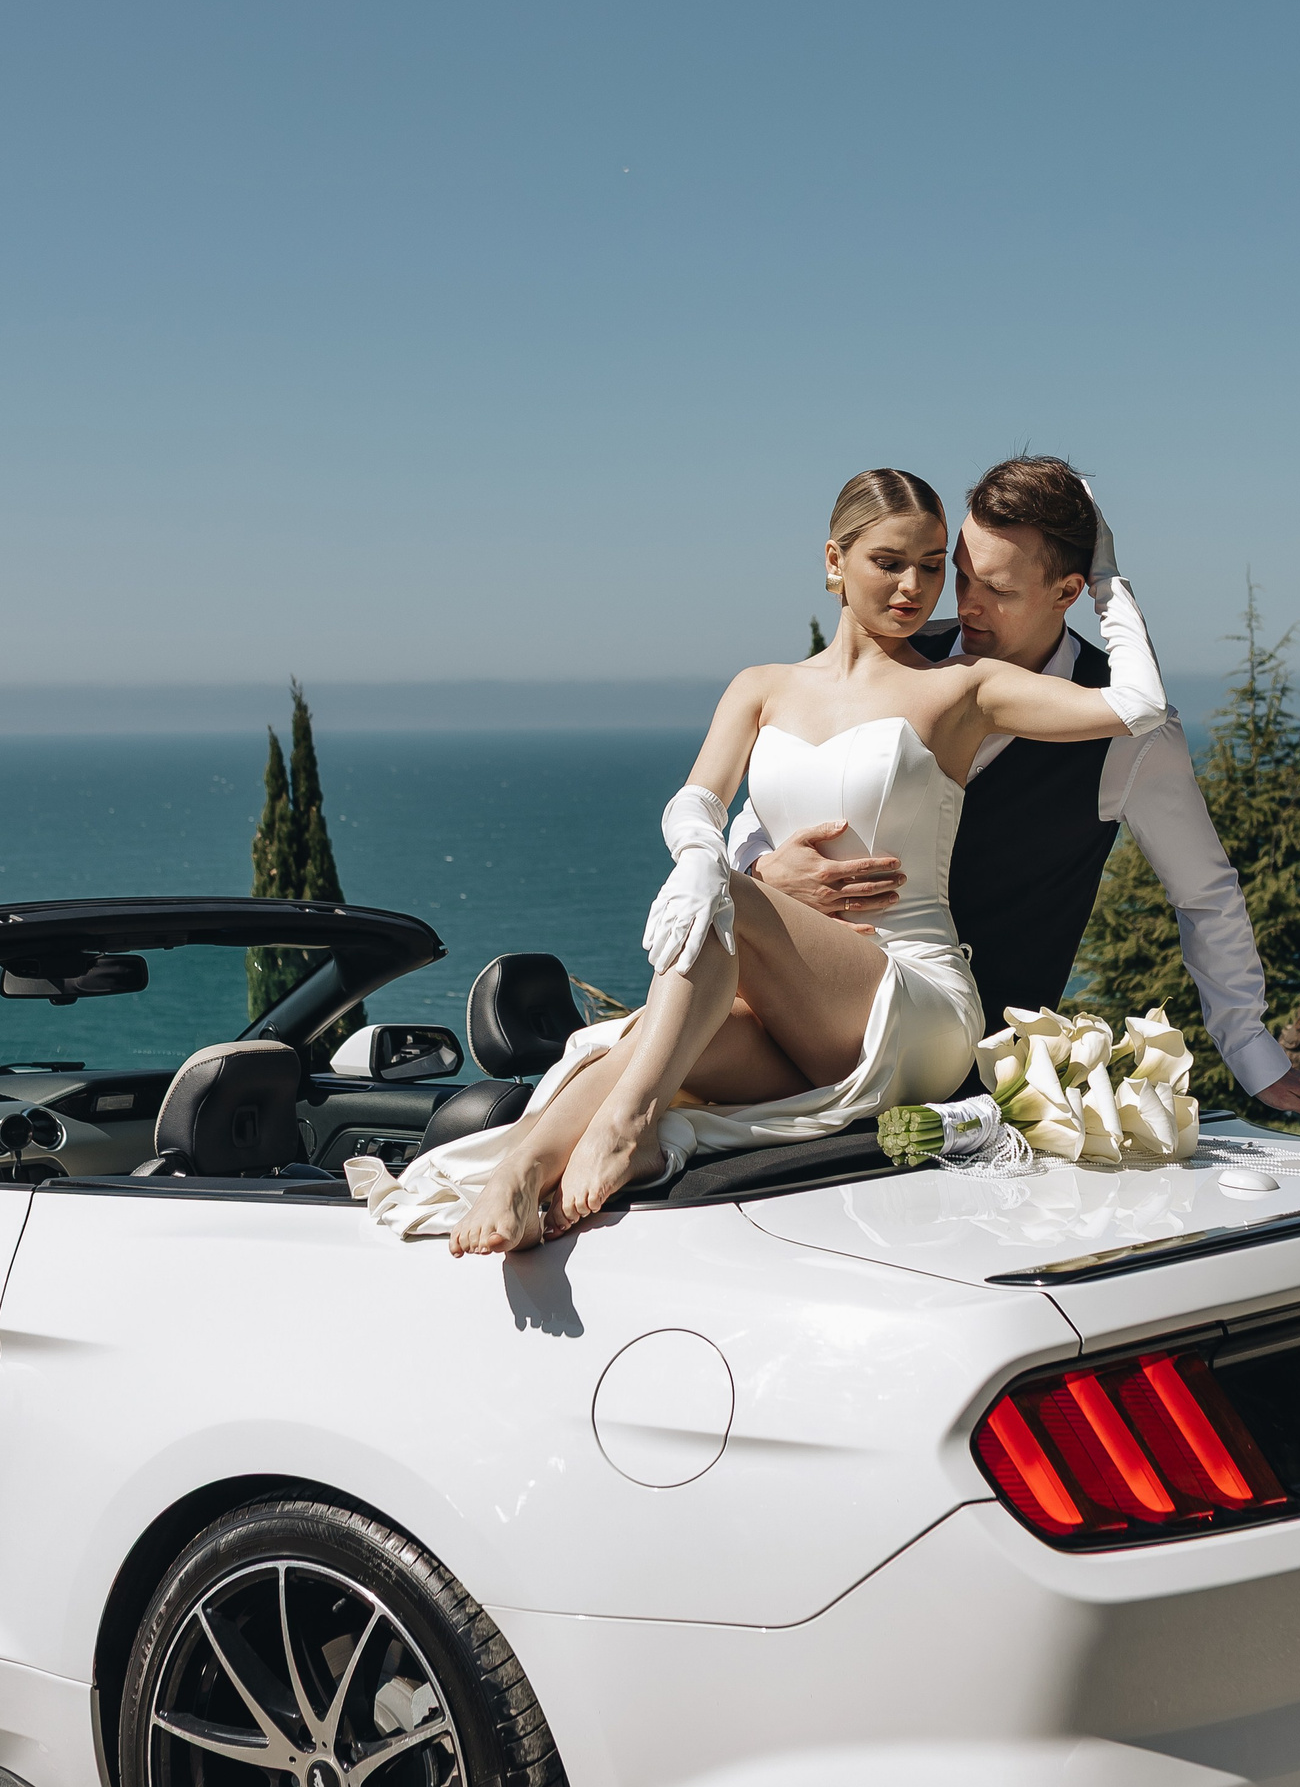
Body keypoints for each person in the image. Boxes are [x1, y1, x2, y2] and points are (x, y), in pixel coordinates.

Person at [372, 466, 1173, 1253]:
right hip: (792, 1007)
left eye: (933, 566)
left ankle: (625, 1127)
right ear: (834, 561)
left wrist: (1106, 577)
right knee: (655, 1044)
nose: (915, 588)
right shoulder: (764, 687)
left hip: (914, 1002)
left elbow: (1138, 707)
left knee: (713, 919)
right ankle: (522, 1169)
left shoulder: (965, 688)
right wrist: (698, 857)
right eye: (889, 562)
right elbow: (696, 801)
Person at [731, 455, 1300, 1123]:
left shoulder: (1129, 735)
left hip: (967, 1080)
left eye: (997, 589)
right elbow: (769, 804)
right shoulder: (897, 655)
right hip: (794, 1024)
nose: (965, 604)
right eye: (960, 574)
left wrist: (1252, 1053)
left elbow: (1204, 894)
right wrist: (762, 869)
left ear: (1067, 591)